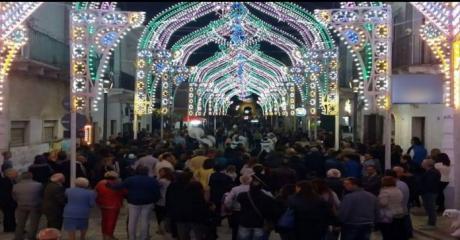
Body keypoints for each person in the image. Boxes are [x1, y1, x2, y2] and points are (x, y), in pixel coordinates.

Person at [108, 165, 160, 240]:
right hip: (148, 202)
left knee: (132, 221)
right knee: (145, 220)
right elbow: (157, 192)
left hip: (133, 202)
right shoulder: (152, 180)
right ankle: (144, 237)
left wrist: (109, 185)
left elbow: (120, 186)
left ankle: (132, 237)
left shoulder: (130, 179)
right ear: (147, 172)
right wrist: (155, 200)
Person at [95, 171, 126, 240]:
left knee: (104, 221)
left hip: (103, 204)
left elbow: (96, 193)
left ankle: (105, 235)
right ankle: (109, 236)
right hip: (114, 205)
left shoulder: (100, 183)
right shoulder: (117, 184)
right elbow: (123, 192)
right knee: (111, 221)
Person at [12, 171, 43, 240]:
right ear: (31, 176)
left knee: (20, 223)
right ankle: (31, 237)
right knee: (33, 223)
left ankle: (18, 237)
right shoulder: (38, 185)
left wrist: (19, 201)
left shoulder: (15, 186)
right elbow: (41, 195)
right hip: (35, 206)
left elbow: (14, 197)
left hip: (21, 206)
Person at [419, 158, 441, 229]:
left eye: (422, 162)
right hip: (428, 192)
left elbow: (429, 184)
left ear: (427, 164)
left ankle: (432, 224)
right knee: (428, 208)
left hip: (430, 193)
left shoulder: (432, 172)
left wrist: (422, 190)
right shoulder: (429, 171)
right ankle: (429, 223)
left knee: (431, 208)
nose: (421, 163)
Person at [155, 167, 174, 235]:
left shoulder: (161, 181)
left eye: (161, 172)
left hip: (161, 201)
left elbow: (155, 188)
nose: (160, 173)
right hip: (169, 201)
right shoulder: (172, 180)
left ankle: (161, 229)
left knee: (160, 217)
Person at [0, 168, 17, 233]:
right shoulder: (6, 181)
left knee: (8, 215)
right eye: (15, 173)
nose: (16, 174)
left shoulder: (6, 180)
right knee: (9, 215)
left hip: (5, 201)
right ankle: (11, 228)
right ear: (10, 174)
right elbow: (8, 192)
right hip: (7, 201)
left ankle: (8, 228)